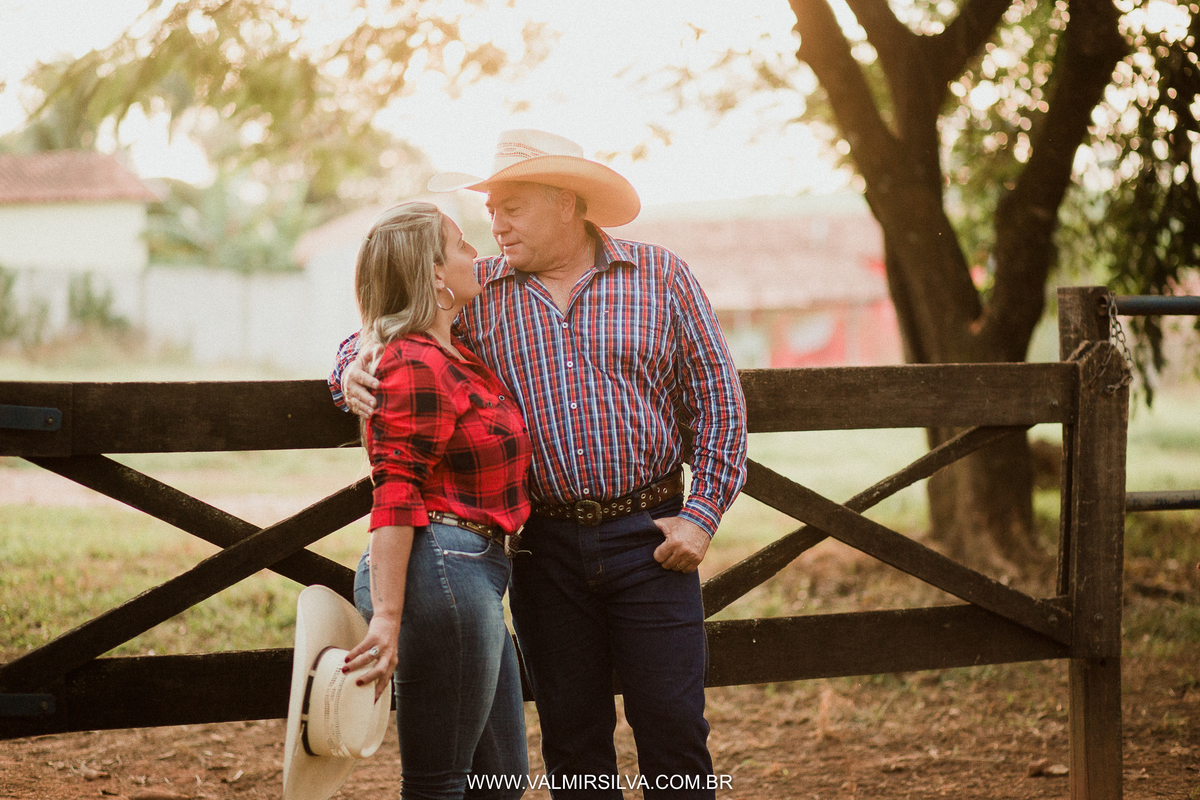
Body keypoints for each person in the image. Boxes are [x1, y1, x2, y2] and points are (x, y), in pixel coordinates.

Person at [332, 130, 748, 799]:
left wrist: (701, 516)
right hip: (543, 548)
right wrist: (348, 370)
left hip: (652, 536)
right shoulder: (481, 291)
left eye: (512, 207)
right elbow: (392, 331)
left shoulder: (660, 275)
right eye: (490, 210)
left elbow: (719, 403)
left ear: (566, 203)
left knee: (674, 728)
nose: (495, 225)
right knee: (572, 738)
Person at [338, 201, 532, 800]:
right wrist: (388, 617)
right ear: (434, 271)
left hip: (467, 575)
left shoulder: (452, 354)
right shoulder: (414, 361)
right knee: (438, 784)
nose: (477, 253)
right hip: (441, 576)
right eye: (462, 244)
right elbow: (395, 492)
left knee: (501, 782)